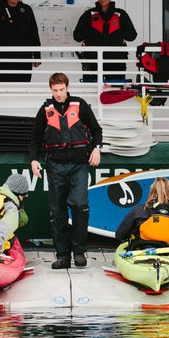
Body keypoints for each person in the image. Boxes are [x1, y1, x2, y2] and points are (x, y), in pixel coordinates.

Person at [29, 72, 103, 269]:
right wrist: (34, 159)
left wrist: (97, 148)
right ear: (51, 89)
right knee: (57, 212)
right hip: (55, 166)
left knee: (79, 205)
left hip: (79, 164)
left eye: (62, 90)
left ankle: (79, 252)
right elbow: (36, 138)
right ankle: (62, 255)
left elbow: (97, 130)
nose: (59, 94)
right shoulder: (45, 109)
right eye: (55, 90)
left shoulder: (80, 105)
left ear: (67, 87)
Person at [115, 177, 169, 273]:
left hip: (140, 251)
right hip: (167, 252)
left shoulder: (139, 210)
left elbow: (119, 235)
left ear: (152, 191)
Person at [73, 0, 138, 83]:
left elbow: (132, 35)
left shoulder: (121, 15)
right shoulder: (88, 15)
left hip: (116, 61)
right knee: (92, 91)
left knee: (114, 93)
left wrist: (118, 30)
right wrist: (91, 30)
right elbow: (77, 36)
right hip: (93, 61)